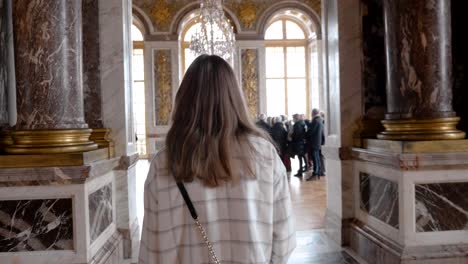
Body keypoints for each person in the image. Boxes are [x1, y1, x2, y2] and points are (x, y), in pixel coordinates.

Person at [139, 55, 296, 264]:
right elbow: (284, 240)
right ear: (234, 99)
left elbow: (151, 252)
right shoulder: (265, 155)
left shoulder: (164, 164)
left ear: (183, 101)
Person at [305, 108, 324, 181]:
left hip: (314, 142)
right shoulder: (320, 120)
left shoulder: (315, 121)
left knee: (315, 158)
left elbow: (311, 132)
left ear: (313, 113)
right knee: (317, 158)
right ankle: (318, 173)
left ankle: (315, 174)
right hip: (318, 142)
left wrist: (305, 134)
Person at [319, 111, 326, 177]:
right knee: (322, 157)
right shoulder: (323, 122)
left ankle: (323, 171)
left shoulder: (323, 122)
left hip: (323, 142)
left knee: (322, 157)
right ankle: (322, 170)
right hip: (323, 141)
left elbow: (323, 134)